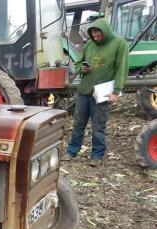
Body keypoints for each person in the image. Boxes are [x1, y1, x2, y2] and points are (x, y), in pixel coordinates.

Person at [62, 18, 128, 167]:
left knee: (98, 125)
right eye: (94, 36)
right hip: (84, 90)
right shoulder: (90, 44)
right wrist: (82, 69)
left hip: (102, 92)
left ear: (106, 32)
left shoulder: (119, 43)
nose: (96, 38)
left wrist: (116, 91)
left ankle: (97, 155)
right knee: (78, 122)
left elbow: (121, 69)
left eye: (99, 35)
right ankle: (72, 151)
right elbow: (78, 62)